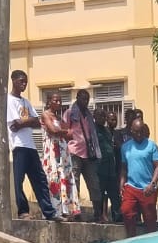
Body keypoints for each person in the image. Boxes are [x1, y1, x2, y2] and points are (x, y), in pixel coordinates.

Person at [6, 70, 56, 221]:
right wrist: (27, 122)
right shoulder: (8, 100)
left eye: (26, 81)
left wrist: (24, 122)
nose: (24, 84)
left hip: (31, 146)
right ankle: (23, 211)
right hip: (18, 146)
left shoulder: (26, 102)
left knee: (40, 179)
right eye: (21, 80)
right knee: (19, 180)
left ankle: (49, 212)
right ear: (13, 80)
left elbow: (37, 122)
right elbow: (15, 124)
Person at [119, 119, 158, 236]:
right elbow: (124, 167)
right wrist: (122, 183)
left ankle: (151, 241)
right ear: (131, 131)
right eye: (136, 132)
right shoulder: (125, 147)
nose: (139, 135)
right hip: (131, 186)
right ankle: (131, 239)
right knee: (126, 211)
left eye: (141, 132)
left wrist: (153, 184)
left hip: (148, 188)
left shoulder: (152, 146)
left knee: (150, 218)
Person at [38, 91, 79, 220]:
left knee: (64, 177)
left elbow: (70, 134)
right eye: (55, 100)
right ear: (49, 101)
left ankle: (65, 210)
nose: (59, 103)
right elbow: (53, 130)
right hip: (52, 150)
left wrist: (63, 132)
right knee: (53, 178)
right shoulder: (45, 115)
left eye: (60, 101)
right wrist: (64, 131)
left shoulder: (58, 118)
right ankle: (54, 210)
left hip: (62, 151)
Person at [65, 89, 101, 218]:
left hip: (89, 153)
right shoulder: (70, 113)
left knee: (94, 183)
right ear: (77, 98)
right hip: (75, 152)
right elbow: (65, 131)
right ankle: (75, 212)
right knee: (75, 183)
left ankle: (98, 213)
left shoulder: (88, 115)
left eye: (87, 99)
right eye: (83, 98)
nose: (85, 101)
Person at [93, 108, 121, 222]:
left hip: (111, 167)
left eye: (104, 117)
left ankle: (117, 216)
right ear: (95, 117)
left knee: (114, 193)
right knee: (100, 193)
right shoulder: (93, 130)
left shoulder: (106, 131)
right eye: (100, 116)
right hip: (99, 167)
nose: (103, 119)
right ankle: (99, 215)